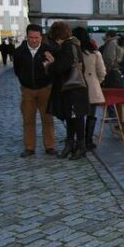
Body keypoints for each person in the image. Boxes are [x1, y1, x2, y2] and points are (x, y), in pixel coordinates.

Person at [43, 22, 90, 160]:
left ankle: (80, 146)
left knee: (77, 118)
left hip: (74, 89)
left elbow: (61, 67)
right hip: (72, 89)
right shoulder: (71, 46)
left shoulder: (69, 47)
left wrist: (49, 66)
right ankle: (70, 144)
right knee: (71, 118)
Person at [13, 24, 57, 157]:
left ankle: (49, 146)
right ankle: (29, 147)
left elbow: (54, 69)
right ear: (27, 36)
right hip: (27, 90)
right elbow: (17, 69)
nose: (34, 40)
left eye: (36, 37)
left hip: (45, 88)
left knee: (47, 118)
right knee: (28, 119)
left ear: (41, 37)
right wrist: (24, 80)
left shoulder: (48, 50)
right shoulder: (20, 51)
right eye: (31, 37)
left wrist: (51, 64)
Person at [75, 27, 106, 151]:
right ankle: (88, 141)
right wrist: (97, 81)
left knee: (78, 116)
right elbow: (102, 72)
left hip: (76, 86)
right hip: (92, 85)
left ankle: (80, 141)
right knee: (91, 114)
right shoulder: (95, 53)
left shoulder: (74, 52)